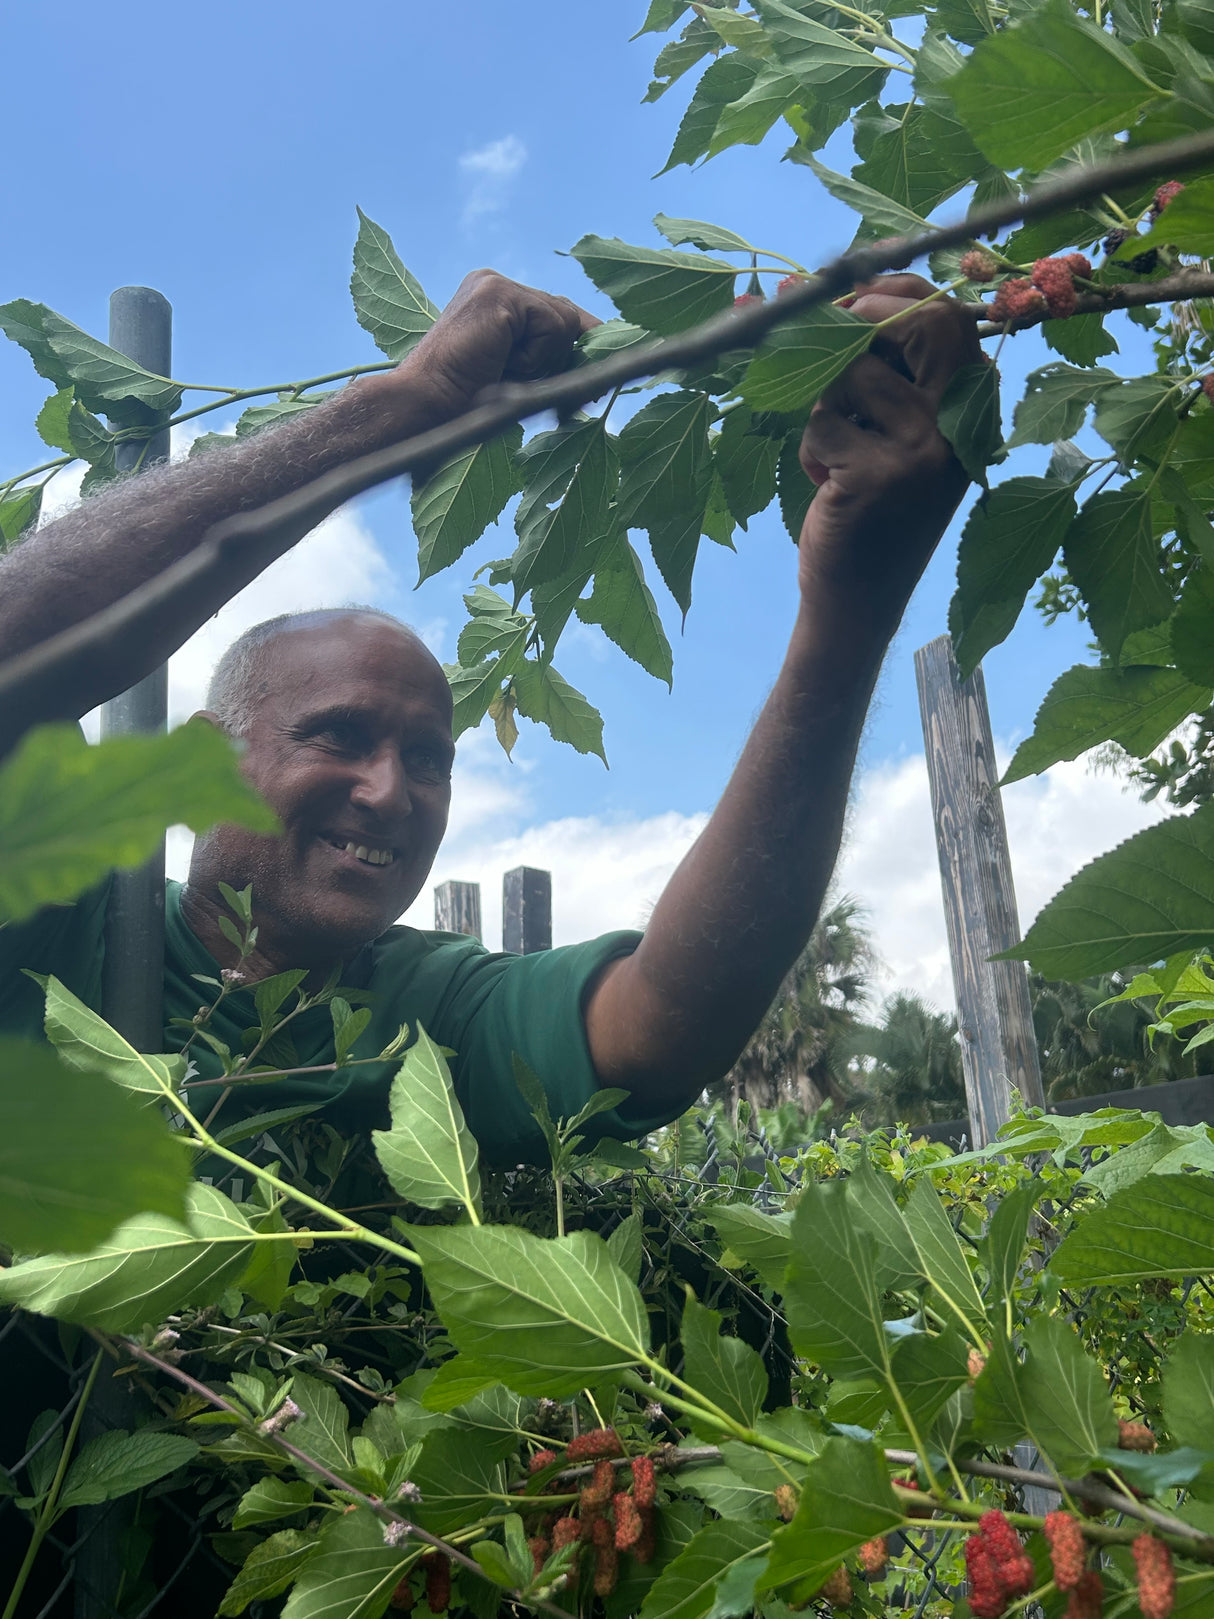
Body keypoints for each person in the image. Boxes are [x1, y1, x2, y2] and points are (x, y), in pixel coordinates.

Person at [0, 269, 979, 1162]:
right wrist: (394, 413)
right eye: (337, 734)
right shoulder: (47, 927)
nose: (391, 792)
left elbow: (664, 1022)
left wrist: (846, 612)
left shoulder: (424, 1016)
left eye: (429, 757)